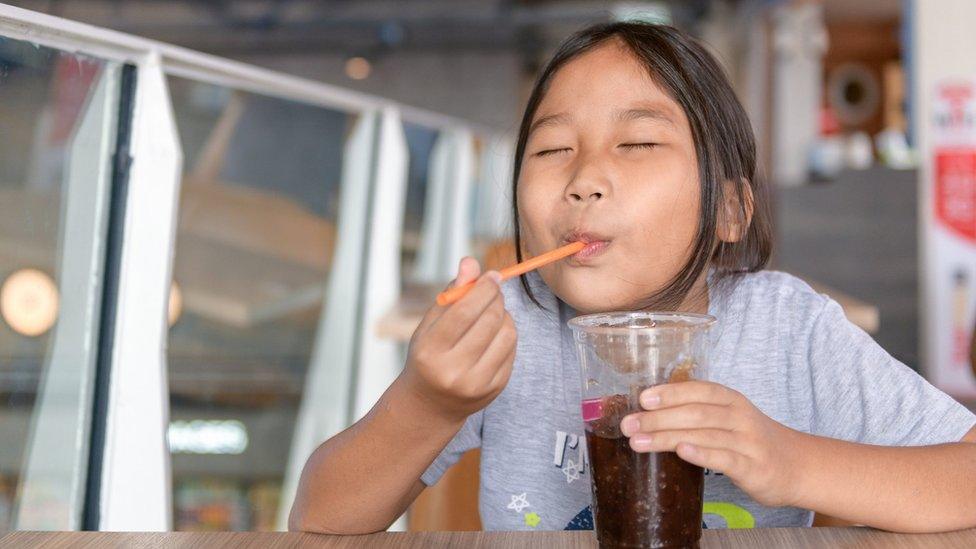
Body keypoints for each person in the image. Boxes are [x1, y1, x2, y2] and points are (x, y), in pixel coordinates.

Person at [289, 22, 976, 534]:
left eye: (639, 143)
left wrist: (791, 461)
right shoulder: (512, 329)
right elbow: (317, 522)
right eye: (553, 149)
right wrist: (427, 403)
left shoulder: (789, 329)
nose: (584, 179)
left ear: (731, 207)